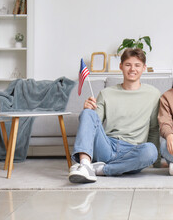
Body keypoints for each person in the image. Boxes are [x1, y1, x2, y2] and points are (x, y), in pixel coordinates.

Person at [68, 48, 161, 183]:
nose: (132, 69)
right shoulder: (106, 93)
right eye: (128, 65)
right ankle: (85, 165)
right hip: (107, 146)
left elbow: (153, 129)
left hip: (133, 151)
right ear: (121, 66)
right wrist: (88, 111)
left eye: (137, 65)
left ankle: (101, 170)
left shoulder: (153, 94)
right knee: (87, 113)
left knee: (151, 150)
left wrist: (156, 162)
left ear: (144, 68)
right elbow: (94, 124)